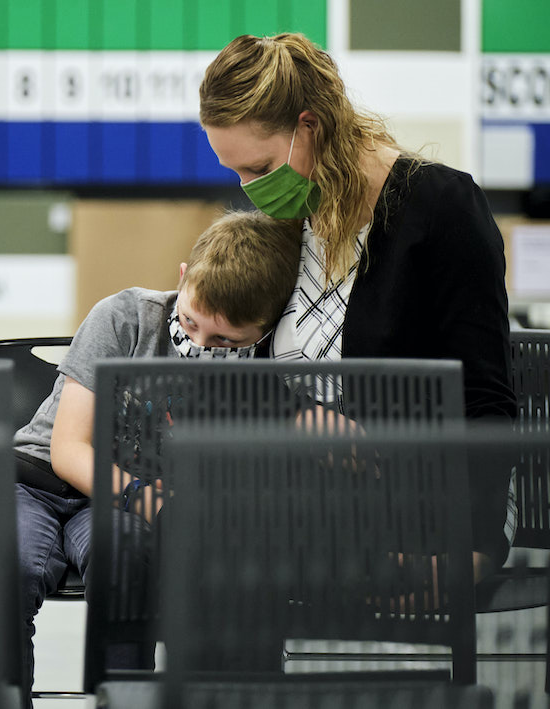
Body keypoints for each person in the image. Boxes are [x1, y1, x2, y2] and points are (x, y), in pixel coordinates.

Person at [198, 32, 517, 580]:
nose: (250, 190)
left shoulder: (442, 209)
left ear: (308, 127)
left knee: (225, 563)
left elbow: (485, 398)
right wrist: (298, 415)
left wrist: (477, 549)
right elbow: (242, 373)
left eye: (260, 168)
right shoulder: (291, 217)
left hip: (420, 505)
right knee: (193, 543)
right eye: (237, 174)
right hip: (299, 501)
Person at [12, 210, 302, 706]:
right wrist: (146, 499)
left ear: (264, 331)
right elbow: (67, 450)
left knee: (125, 562)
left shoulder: (258, 370)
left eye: (225, 341)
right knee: (9, 565)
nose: (200, 346)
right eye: (190, 323)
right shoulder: (124, 318)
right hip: (37, 483)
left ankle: (123, 699)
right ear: (184, 277)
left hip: (110, 508)